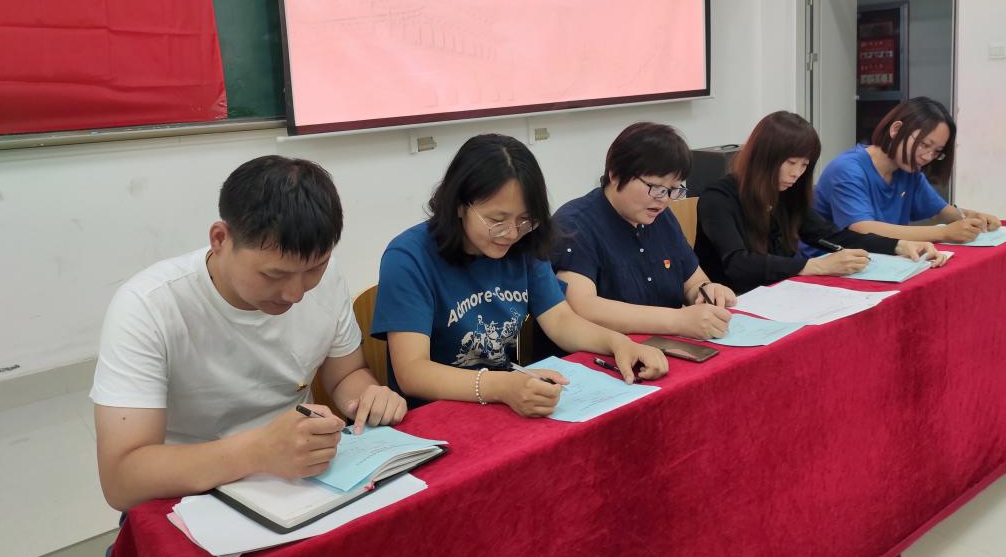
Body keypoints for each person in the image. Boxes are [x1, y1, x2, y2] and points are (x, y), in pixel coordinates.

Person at [91, 156, 406, 512]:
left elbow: (345, 374)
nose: (295, 293)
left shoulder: (328, 276)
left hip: (300, 483)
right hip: (191, 491)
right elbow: (122, 480)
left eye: (313, 270)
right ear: (220, 239)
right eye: (274, 275)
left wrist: (367, 398)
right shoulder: (148, 306)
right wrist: (258, 451)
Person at [371, 134, 668, 418]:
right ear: (460, 205)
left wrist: (618, 343)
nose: (512, 233)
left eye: (525, 219)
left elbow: (560, 321)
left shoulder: (523, 245)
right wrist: (501, 387)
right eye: (497, 220)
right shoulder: (409, 257)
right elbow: (413, 372)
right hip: (435, 418)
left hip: (505, 402)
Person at [694, 111, 945, 294]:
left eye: (804, 165)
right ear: (764, 157)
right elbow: (739, 264)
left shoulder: (786, 193)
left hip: (781, 293)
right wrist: (814, 265)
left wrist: (899, 246)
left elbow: (833, 236)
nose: (796, 173)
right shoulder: (718, 198)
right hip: (735, 302)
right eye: (791, 163)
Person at [551, 122, 736, 340]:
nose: (664, 199)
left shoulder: (661, 217)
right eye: (656, 188)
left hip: (666, 346)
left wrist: (708, 290)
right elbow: (583, 307)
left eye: (673, 190)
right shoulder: (574, 224)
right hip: (606, 351)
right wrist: (677, 321)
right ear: (615, 174)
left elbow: (693, 282)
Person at [814, 97, 1000, 242]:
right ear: (896, 130)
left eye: (937, 151)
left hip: (877, 260)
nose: (927, 157)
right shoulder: (847, 169)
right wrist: (944, 233)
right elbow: (863, 229)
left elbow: (939, 210)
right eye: (924, 145)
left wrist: (973, 216)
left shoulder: (908, 171)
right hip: (826, 266)